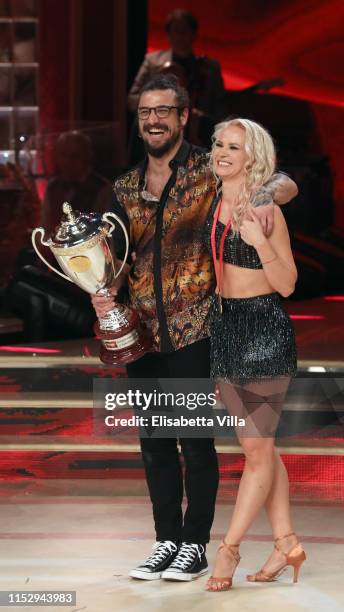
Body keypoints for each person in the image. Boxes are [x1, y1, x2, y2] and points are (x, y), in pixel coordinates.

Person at [91, 75, 298, 583]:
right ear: (138, 122)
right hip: (140, 333)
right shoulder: (125, 186)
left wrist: (263, 197)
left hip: (197, 328)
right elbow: (114, 257)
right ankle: (166, 542)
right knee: (155, 441)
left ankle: (197, 546)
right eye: (145, 113)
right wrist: (101, 291)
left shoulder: (210, 168)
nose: (154, 120)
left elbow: (282, 180)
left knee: (196, 442)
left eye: (164, 111)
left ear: (184, 117)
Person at [203, 118, 306, 592]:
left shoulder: (265, 210)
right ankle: (287, 544)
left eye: (234, 147)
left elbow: (287, 284)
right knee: (263, 448)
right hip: (225, 328)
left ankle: (228, 549)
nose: (223, 152)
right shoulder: (211, 198)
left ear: (253, 157)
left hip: (263, 331)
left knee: (256, 450)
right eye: (219, 144)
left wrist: (260, 241)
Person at [41, 131, 114, 234]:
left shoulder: (102, 188)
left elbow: (107, 229)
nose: (67, 161)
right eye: (63, 155)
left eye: (74, 156)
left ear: (87, 157)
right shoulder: (52, 187)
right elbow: (45, 226)